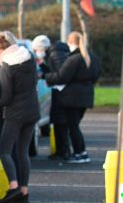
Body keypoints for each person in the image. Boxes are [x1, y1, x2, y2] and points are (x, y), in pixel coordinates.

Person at [0, 31, 40, 203]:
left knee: (4, 151)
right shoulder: (29, 59)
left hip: (15, 114)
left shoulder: (7, 67)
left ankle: (14, 187)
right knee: (23, 151)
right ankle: (24, 191)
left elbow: (6, 98)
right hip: (32, 111)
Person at [43, 31, 101, 164]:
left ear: (70, 42)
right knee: (75, 126)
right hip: (87, 96)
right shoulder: (91, 57)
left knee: (73, 126)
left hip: (72, 98)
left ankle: (80, 153)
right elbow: (96, 75)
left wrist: (46, 77)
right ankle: (81, 152)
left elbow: (62, 76)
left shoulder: (73, 59)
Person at [32, 34, 70, 161]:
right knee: (58, 122)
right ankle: (61, 151)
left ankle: (63, 152)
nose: (36, 53)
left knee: (60, 123)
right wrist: (43, 68)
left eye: (36, 50)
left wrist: (44, 77)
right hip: (59, 91)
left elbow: (60, 75)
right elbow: (53, 71)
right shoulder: (54, 53)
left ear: (41, 48)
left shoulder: (55, 54)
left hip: (62, 92)